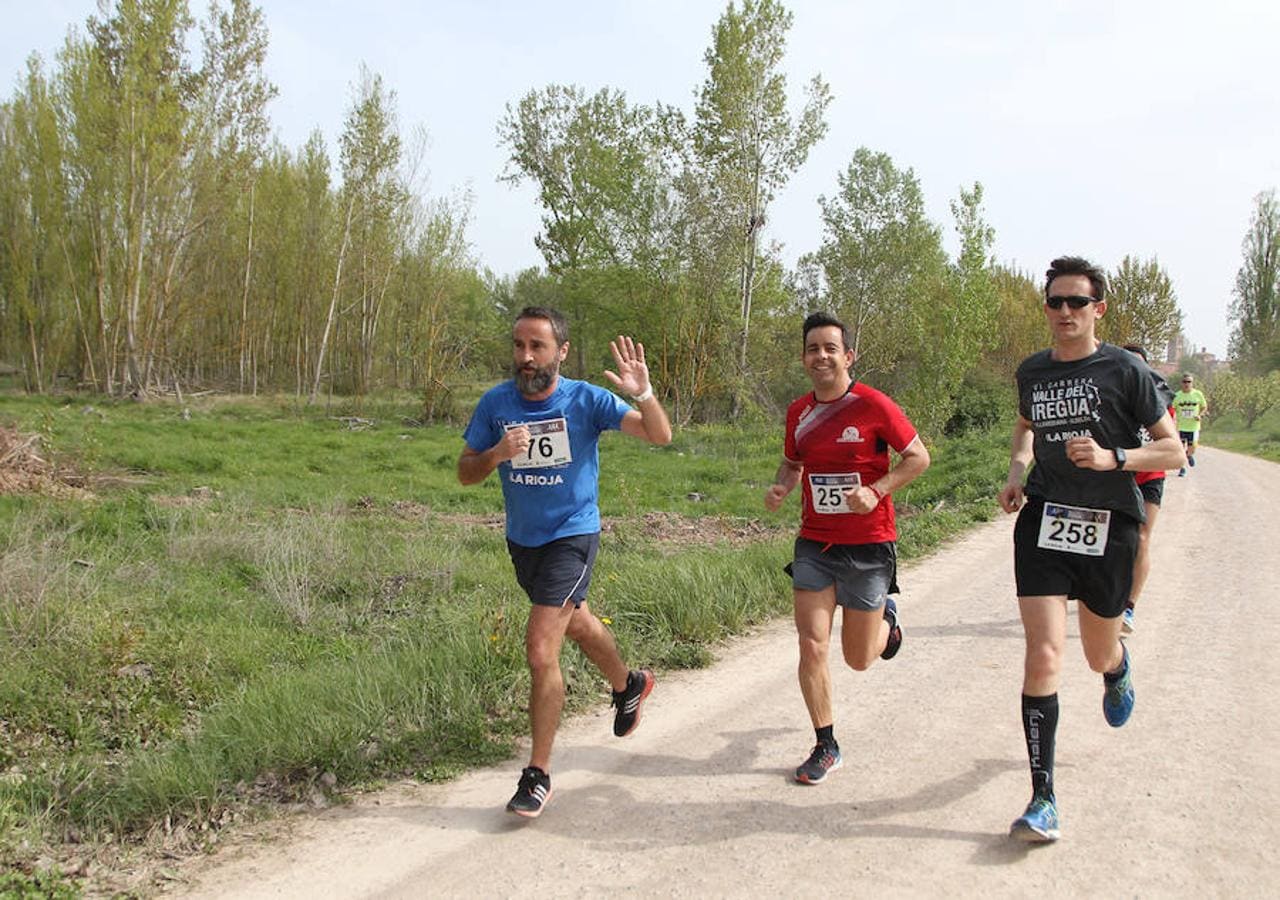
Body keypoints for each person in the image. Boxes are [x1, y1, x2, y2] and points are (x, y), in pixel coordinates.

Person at [457, 306, 673, 818]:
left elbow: (659, 435)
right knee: (574, 622)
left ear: (562, 351)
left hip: (573, 535)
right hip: (524, 542)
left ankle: (537, 774)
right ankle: (629, 684)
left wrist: (642, 393)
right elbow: (466, 472)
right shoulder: (497, 404)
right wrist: (496, 455)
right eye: (518, 346)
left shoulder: (586, 399)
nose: (526, 357)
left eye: (537, 346)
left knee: (539, 646)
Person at [998, 257, 1184, 843]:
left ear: (1097, 309)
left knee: (1095, 654)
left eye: (1077, 302)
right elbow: (1026, 425)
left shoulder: (1125, 370)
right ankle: (1043, 798)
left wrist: (1113, 459)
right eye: (1055, 302)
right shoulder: (1033, 371)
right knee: (1043, 654)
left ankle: (1118, 669)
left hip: (1111, 524)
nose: (1065, 312)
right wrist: (1017, 468)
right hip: (1046, 518)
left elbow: (1173, 452)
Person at [763, 311, 930, 785]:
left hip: (869, 545)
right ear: (804, 358)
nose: (821, 356)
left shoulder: (875, 405)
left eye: (830, 348)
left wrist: (877, 490)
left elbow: (919, 457)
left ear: (848, 355)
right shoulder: (799, 412)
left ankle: (887, 622)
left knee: (858, 658)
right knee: (811, 644)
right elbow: (792, 464)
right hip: (815, 543)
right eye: (813, 349)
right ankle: (825, 743)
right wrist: (781, 487)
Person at [1119, 345, 1175, 634]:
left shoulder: (1161, 398)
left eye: (1138, 365)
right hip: (1116, 475)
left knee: (1141, 538)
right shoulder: (1109, 393)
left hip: (1150, 476)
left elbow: (1170, 445)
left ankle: (1128, 607)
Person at [1171, 374, 1208, 475]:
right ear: (1181, 383)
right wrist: (1172, 420)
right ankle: (1182, 469)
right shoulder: (1177, 396)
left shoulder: (1197, 394)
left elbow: (1204, 407)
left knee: (1192, 448)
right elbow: (1172, 410)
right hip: (1181, 427)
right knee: (1180, 449)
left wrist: (1200, 415)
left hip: (1194, 427)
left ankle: (1189, 455)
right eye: (1184, 382)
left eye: (1189, 382)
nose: (1187, 384)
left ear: (1192, 383)